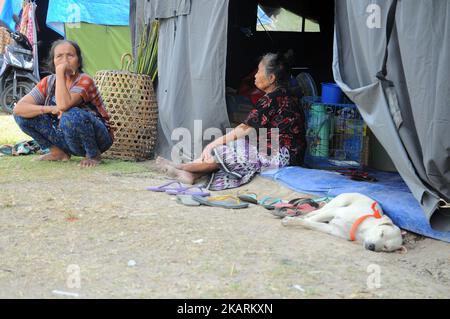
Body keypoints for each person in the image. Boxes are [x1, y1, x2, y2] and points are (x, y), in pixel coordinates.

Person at [157, 51, 306, 190]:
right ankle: (191, 173)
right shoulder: (284, 94)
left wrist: (211, 145)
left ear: (271, 78)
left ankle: (183, 167)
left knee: (233, 150)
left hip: (285, 155)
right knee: (237, 146)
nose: (255, 75)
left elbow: (245, 128)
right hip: (280, 150)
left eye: (259, 71)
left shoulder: (274, 98)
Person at [13, 40, 113, 168]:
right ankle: (58, 152)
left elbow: (64, 105)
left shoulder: (84, 80)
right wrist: (50, 109)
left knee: (70, 114)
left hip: (99, 137)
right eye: (59, 56)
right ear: (53, 61)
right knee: (22, 116)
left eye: (70, 56)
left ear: (78, 61)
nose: (65, 61)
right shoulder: (48, 82)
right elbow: (19, 108)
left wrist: (60, 73)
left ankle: (93, 155)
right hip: (68, 136)